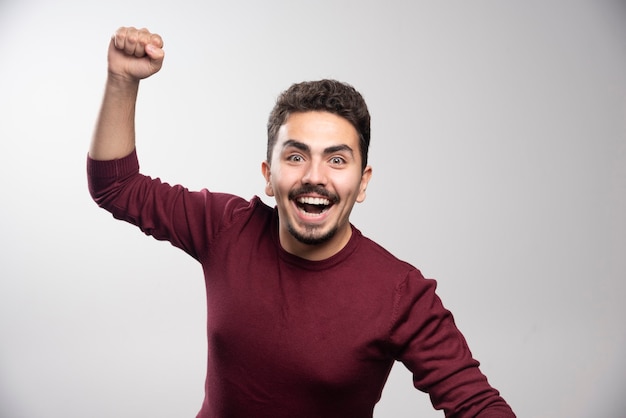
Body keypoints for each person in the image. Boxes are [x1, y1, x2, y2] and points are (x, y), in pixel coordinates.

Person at [87, 26, 516, 418]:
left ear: (362, 182)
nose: (315, 176)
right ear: (268, 176)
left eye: (337, 159)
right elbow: (117, 187)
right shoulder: (225, 228)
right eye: (295, 157)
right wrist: (123, 79)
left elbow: (476, 405)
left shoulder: (400, 294)